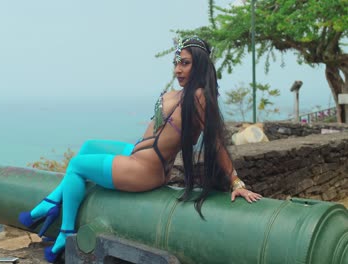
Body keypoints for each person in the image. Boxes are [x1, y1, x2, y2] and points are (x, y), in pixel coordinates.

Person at [18, 36, 262, 262]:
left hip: (145, 169)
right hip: (138, 153)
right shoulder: (176, 93)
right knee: (89, 146)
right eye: (176, 63)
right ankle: (52, 202)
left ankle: (65, 231)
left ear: (198, 65)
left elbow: (216, 142)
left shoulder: (199, 97)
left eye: (185, 64)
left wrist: (236, 183)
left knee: (77, 165)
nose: (178, 70)